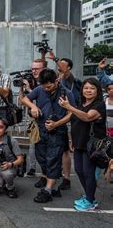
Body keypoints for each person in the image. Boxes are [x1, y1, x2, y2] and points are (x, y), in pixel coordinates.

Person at [21, 69, 75, 203]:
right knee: (41, 157)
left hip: (57, 130)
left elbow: (71, 113)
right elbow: (25, 99)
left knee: (53, 159)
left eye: (49, 86)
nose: (46, 89)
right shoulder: (40, 89)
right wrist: (33, 106)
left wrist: (57, 124)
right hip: (41, 128)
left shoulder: (67, 93)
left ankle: (48, 190)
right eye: (44, 86)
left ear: (56, 80)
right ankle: (50, 180)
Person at [59, 78, 106, 211]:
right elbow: (76, 123)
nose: (88, 91)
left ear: (97, 91)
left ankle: (90, 201)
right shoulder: (81, 104)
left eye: (92, 88)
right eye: (86, 88)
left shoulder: (99, 105)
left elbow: (87, 117)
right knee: (79, 171)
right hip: (79, 142)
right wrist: (72, 140)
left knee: (88, 172)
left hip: (91, 145)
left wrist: (69, 107)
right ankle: (89, 196)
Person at [49, 52, 82, 190]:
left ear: (68, 68)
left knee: (65, 150)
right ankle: (53, 175)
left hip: (71, 118)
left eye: (63, 65)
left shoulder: (71, 80)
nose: (60, 68)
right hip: (59, 117)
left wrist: (55, 58)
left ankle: (67, 178)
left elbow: (63, 71)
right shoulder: (58, 80)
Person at [20, 59, 47, 178]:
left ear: (44, 70)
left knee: (47, 148)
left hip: (47, 119)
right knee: (33, 144)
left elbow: (40, 96)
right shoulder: (31, 82)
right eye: (32, 69)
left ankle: (49, 172)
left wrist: (30, 90)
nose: (34, 71)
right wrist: (22, 88)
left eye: (37, 68)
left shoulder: (47, 81)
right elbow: (23, 100)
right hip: (34, 119)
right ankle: (32, 168)